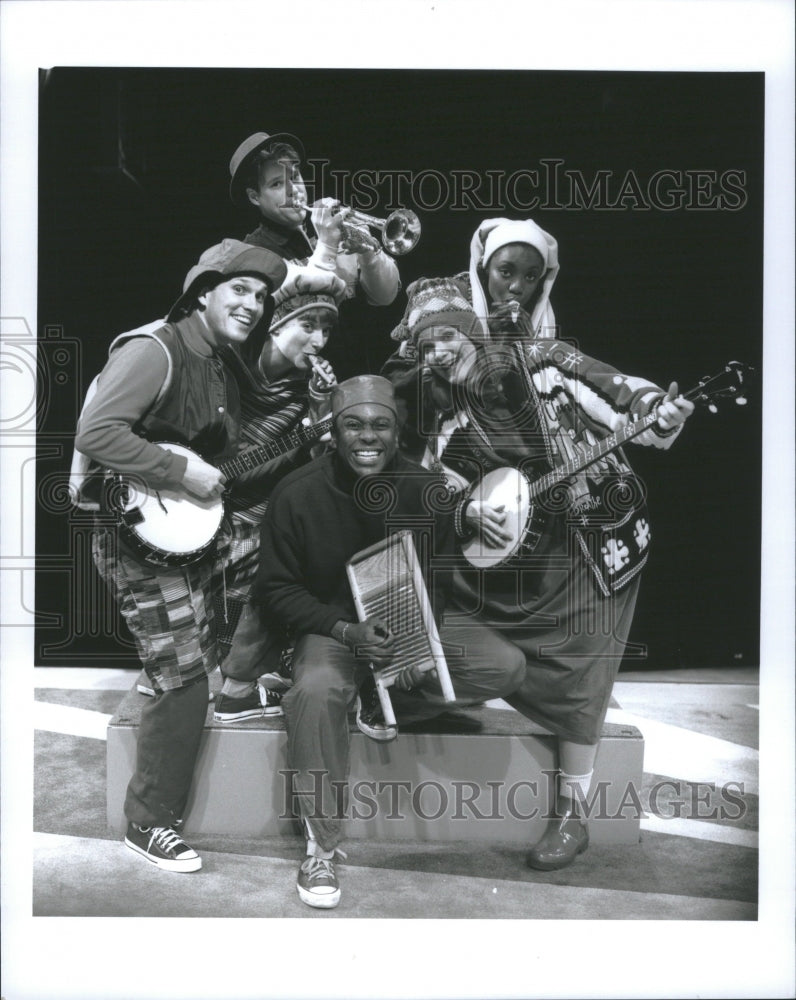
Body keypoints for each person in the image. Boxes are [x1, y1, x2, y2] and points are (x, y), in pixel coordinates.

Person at [382, 266, 695, 873]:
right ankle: (409, 697)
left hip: (588, 547)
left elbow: (619, 393)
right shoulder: (439, 405)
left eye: (447, 337)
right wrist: (465, 509)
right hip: (509, 558)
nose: (438, 353)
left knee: (583, 676)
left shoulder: (544, 361)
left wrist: (659, 409)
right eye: (425, 347)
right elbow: (431, 486)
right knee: (459, 627)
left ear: (471, 331)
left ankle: (572, 814)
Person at [251, 375, 526, 908]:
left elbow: (440, 582)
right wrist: (346, 631)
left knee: (504, 667)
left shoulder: (428, 492)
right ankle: (322, 848)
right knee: (315, 694)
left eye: (380, 425)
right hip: (331, 630)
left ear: (398, 433)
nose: (367, 436)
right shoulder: (297, 493)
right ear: (333, 430)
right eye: (353, 424)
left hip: (403, 623)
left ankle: (383, 696)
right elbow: (275, 590)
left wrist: (417, 648)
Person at [74, 239, 287, 873]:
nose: (253, 304)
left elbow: (220, 463)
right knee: (187, 684)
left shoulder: (222, 362)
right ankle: (148, 822)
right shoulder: (155, 349)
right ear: (204, 294)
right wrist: (177, 474)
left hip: (193, 535)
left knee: (280, 553)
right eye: (240, 291)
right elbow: (97, 432)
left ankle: (235, 679)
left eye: (261, 296)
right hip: (137, 539)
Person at [211, 264, 347, 722]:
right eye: (308, 325)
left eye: (326, 328)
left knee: (292, 554)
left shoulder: (299, 392)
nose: (320, 340)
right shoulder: (223, 363)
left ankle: (239, 683)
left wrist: (318, 408)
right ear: (273, 323)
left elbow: (304, 469)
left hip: (252, 511)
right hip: (187, 505)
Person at [228, 130, 400, 310]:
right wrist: (327, 244)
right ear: (255, 197)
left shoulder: (333, 223)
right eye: (277, 184)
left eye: (294, 177)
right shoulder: (254, 252)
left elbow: (386, 297)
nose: (294, 190)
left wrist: (369, 256)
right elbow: (311, 308)